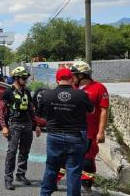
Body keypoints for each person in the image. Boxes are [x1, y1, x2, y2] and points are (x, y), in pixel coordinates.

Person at [39, 68, 94, 196]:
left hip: (54, 136)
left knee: (51, 168)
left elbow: (41, 115)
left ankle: (45, 194)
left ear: (57, 79)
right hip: (76, 137)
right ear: (71, 79)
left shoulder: (46, 95)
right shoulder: (82, 95)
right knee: (74, 171)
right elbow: (92, 111)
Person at [0, 66, 41, 190]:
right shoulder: (7, 92)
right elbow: (1, 110)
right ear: (16, 78)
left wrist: (36, 125)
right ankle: (8, 179)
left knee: (25, 151)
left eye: (26, 78)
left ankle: (21, 174)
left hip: (27, 125)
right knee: (12, 152)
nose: (26, 80)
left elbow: (31, 110)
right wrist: (4, 127)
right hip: (14, 125)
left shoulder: (27, 92)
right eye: (23, 78)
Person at [70, 61, 110, 190]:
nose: (72, 77)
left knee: (88, 159)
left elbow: (104, 110)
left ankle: (87, 184)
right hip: (71, 130)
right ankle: (57, 181)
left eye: (74, 74)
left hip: (90, 131)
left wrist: (101, 131)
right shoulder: (71, 87)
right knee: (66, 157)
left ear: (82, 75)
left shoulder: (99, 88)